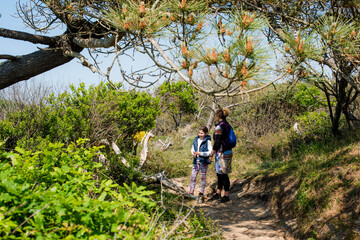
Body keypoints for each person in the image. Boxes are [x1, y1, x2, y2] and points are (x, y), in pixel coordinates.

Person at [208, 108, 233, 203]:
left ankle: (226, 195)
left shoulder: (219, 127)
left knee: (223, 175)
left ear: (218, 116)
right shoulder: (228, 125)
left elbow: (217, 142)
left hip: (221, 153)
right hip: (228, 152)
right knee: (220, 174)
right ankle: (218, 193)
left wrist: (211, 154)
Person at [189, 126, 212, 203]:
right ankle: (191, 191)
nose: (200, 134)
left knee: (203, 177)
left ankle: (201, 192)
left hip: (203, 161)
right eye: (199, 133)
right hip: (196, 161)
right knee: (193, 176)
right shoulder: (196, 140)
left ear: (206, 133)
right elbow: (192, 148)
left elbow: (209, 152)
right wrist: (193, 153)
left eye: (202, 133)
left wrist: (201, 153)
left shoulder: (208, 142)